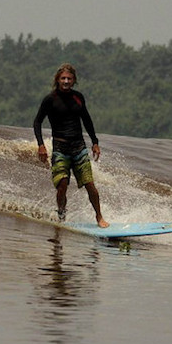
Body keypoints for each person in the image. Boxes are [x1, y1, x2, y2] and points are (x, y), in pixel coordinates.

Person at [33, 63, 108, 227]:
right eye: (63, 78)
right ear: (58, 80)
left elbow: (87, 120)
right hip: (60, 149)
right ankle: (61, 216)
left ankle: (99, 217)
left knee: (90, 185)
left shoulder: (78, 97)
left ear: (74, 81)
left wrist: (95, 142)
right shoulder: (50, 99)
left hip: (79, 148)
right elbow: (37, 122)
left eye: (69, 78)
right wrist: (41, 145)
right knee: (62, 185)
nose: (66, 81)